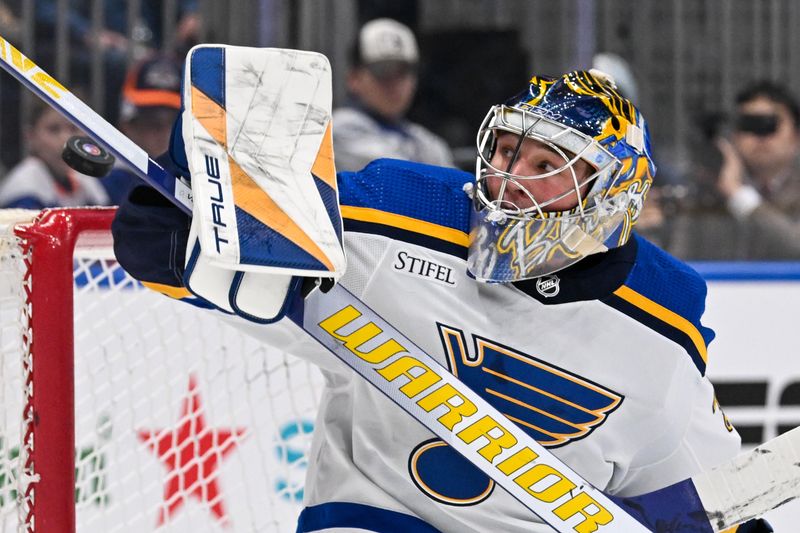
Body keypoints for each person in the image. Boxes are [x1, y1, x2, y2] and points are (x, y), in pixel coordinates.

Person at [111, 70, 772, 532]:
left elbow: (703, 493)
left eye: (547, 167)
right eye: (507, 152)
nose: (511, 181)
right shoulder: (401, 209)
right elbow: (171, 227)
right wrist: (182, 237)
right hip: (372, 514)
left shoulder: (662, 322)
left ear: (612, 197)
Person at [670, 81, 800, 260]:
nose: (759, 137)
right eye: (750, 125)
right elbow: (678, 261)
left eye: (769, 124)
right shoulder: (707, 193)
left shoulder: (731, 190)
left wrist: (738, 195)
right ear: (735, 135)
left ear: (795, 135)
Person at [331, 18, 453, 172]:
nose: (395, 83)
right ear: (354, 79)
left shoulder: (422, 138)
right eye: (383, 71)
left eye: (403, 71)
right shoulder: (338, 128)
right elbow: (398, 179)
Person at [101, 54, 182, 205]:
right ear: (128, 123)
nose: (165, 134)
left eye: (174, 123)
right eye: (152, 122)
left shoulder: (199, 181)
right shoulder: (106, 181)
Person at [0, 99, 109, 209]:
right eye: (54, 129)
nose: (66, 139)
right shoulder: (23, 192)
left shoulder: (86, 181)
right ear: (31, 136)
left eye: (73, 128)